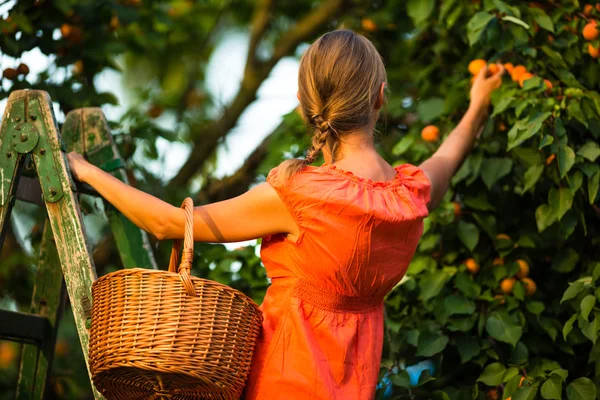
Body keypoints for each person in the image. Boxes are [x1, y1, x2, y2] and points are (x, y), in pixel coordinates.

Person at [68, 29, 503, 399]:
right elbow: (448, 159)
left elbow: (168, 223)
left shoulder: (301, 194)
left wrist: (89, 172)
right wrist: (477, 104)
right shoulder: (408, 195)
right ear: (379, 98)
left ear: (304, 104)